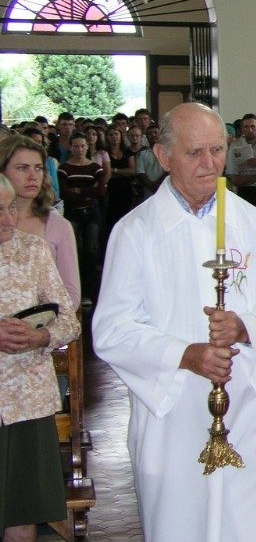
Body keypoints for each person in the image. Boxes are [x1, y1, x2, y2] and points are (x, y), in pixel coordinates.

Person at [92, 102, 256, 542]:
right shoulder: (135, 231)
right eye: (194, 153)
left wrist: (245, 327)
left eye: (217, 149)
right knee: (180, 524)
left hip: (248, 406)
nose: (210, 164)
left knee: (250, 525)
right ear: (163, 156)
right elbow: (112, 330)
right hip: (173, 411)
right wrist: (186, 355)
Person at [0, 173, 81, 542]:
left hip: (28, 401)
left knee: (23, 514)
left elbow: (69, 321)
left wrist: (42, 336)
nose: (8, 219)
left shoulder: (33, 251)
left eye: (11, 208)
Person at [2, 135, 80, 309]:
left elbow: (71, 296)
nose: (33, 176)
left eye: (38, 168)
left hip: (40, 321)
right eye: (22, 168)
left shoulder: (59, 226)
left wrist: (32, 320)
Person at [58, 131, 106, 306]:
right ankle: (74, 291)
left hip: (92, 212)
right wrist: (88, 192)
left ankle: (91, 291)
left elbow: (100, 191)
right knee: (74, 250)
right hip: (73, 213)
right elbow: (65, 193)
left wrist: (78, 190)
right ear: (70, 147)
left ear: (87, 147)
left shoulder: (96, 168)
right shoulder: (64, 168)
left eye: (82, 146)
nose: (79, 149)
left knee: (91, 250)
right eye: (76, 146)